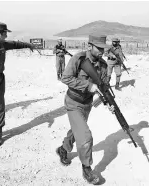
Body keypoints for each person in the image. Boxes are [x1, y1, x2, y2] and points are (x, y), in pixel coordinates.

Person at [56, 35, 114, 185]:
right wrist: (87, 86)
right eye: (98, 48)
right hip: (73, 102)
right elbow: (65, 78)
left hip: (87, 104)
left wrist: (108, 103)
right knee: (85, 135)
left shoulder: (103, 65)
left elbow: (104, 87)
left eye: (103, 48)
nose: (102, 51)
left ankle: (63, 149)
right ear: (90, 46)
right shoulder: (78, 59)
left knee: (77, 130)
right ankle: (87, 168)